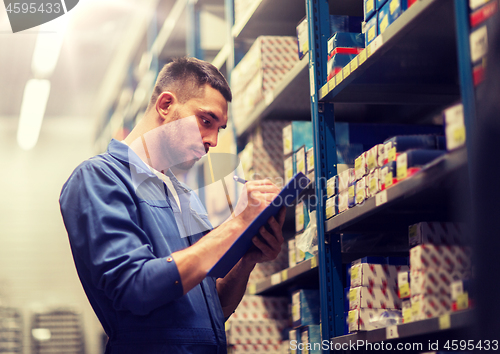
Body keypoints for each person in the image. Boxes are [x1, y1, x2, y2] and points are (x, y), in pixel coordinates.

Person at [59, 57, 286, 354]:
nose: (213, 140)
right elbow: (136, 287)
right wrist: (236, 225)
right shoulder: (99, 179)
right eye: (206, 121)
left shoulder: (184, 195)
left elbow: (212, 310)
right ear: (166, 105)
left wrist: (247, 259)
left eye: (220, 128)